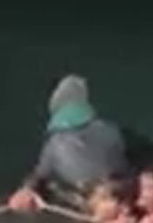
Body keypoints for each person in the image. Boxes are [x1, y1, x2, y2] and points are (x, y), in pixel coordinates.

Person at [16, 75, 130, 207]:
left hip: (98, 195)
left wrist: (27, 189)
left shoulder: (54, 144)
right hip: (111, 191)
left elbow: (39, 177)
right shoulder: (112, 129)